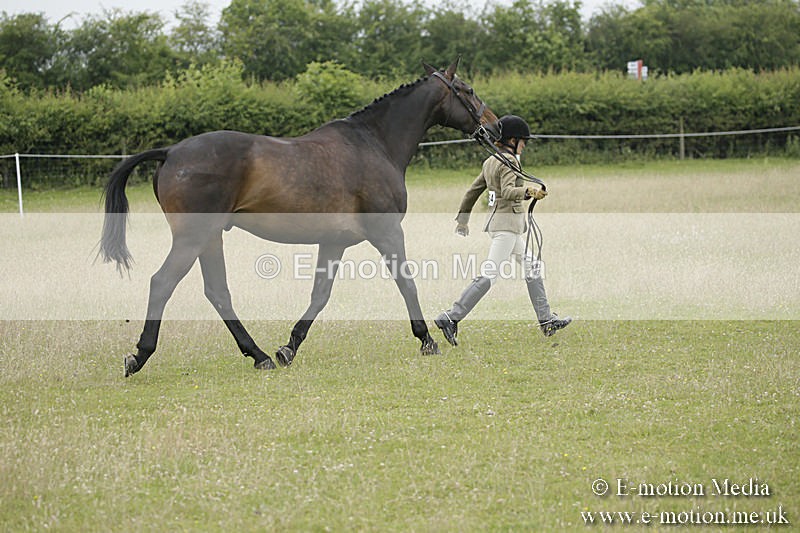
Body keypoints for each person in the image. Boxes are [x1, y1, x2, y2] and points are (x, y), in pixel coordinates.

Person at [434, 114, 572, 346]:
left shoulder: (490, 161)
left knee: (532, 266)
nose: (525, 145)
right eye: (523, 141)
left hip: (503, 225)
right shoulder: (510, 161)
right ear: (512, 140)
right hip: (506, 226)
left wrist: (463, 219)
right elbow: (508, 191)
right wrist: (528, 192)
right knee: (489, 275)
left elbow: (472, 191)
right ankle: (451, 317)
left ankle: (546, 320)